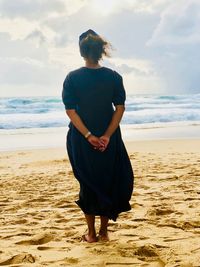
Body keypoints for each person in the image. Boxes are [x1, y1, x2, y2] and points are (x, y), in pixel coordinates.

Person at [62, 29, 134, 243]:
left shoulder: (72, 78)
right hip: (109, 138)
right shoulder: (113, 77)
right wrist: (107, 136)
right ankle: (104, 232)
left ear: (81, 52)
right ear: (101, 52)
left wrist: (89, 135)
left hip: (81, 139)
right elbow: (119, 108)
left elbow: (70, 110)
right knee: (107, 180)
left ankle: (91, 234)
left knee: (87, 182)